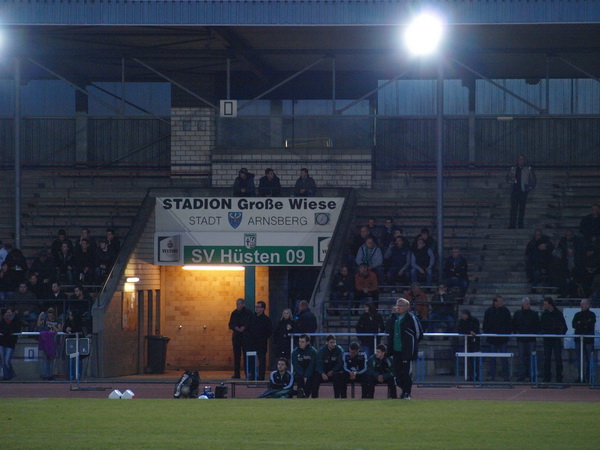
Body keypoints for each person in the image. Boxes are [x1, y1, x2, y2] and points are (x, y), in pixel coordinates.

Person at [385, 298, 423, 399]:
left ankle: (407, 392)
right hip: (396, 349)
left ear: (407, 307)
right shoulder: (394, 317)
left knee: (406, 373)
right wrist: (392, 315)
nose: (398, 307)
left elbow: (419, 333)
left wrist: (411, 345)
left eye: (401, 305)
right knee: (397, 373)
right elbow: (387, 329)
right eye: (398, 305)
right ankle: (404, 389)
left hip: (406, 351)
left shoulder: (411, 318)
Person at [482, 295, 512, 381]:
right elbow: (486, 324)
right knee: (492, 358)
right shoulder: (489, 311)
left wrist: (506, 333)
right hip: (492, 339)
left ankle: (506, 375)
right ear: (495, 302)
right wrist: (488, 333)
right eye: (500, 301)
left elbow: (509, 323)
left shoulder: (505, 311)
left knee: (504, 358)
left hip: (503, 338)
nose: (502, 302)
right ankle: (492, 375)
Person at [511, 297, 540, 381]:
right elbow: (513, 324)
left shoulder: (534, 314)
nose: (528, 305)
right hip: (521, 339)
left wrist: (534, 332)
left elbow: (537, 325)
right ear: (522, 304)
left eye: (529, 303)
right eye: (527, 304)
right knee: (521, 357)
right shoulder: (517, 314)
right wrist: (516, 332)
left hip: (531, 339)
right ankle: (522, 374)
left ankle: (532, 374)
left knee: (531, 357)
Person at [540, 297, 568, 383]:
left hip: (556, 339)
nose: (544, 306)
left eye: (545, 304)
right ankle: (547, 377)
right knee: (547, 358)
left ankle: (559, 377)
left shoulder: (558, 314)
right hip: (547, 339)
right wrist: (544, 333)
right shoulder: (544, 314)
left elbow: (564, 326)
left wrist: (560, 335)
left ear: (550, 304)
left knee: (558, 358)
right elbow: (541, 326)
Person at [506, 154, 536, 229]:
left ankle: (520, 224)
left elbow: (532, 180)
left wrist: (528, 188)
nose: (521, 161)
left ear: (524, 160)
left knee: (521, 209)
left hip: (523, 191)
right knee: (513, 209)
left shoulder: (528, 169)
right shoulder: (513, 169)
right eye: (519, 159)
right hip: (514, 191)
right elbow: (507, 178)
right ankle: (512, 225)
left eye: (522, 159)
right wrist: (511, 180)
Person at [245, 301, 272, 380]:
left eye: (258, 307)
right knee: (252, 360)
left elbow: (269, 331)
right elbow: (247, 329)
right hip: (252, 343)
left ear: (262, 309)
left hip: (261, 343)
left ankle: (261, 376)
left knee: (262, 360)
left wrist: (262, 337)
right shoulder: (251, 318)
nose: (256, 308)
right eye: (255, 307)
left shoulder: (266, 319)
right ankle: (253, 375)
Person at [572, 299, 596, 383]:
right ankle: (580, 376)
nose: (581, 306)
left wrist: (581, 324)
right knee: (579, 359)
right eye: (581, 304)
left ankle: (589, 377)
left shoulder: (592, 315)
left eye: (583, 304)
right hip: (579, 340)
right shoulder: (577, 314)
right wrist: (584, 324)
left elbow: (590, 325)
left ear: (588, 305)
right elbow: (574, 325)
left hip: (588, 341)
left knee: (590, 359)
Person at [36, 307, 63, 381]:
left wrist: (53, 326)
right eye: (49, 315)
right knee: (45, 359)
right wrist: (39, 316)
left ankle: (50, 374)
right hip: (45, 342)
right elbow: (39, 326)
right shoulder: (45, 320)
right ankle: (45, 375)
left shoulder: (57, 321)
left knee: (51, 359)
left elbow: (59, 330)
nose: (50, 316)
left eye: (51, 315)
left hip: (54, 342)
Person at [228, 298, 252, 379]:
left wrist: (244, 327)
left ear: (243, 304)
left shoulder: (248, 313)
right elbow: (230, 324)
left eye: (240, 304)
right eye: (237, 304)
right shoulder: (234, 313)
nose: (238, 306)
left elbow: (250, 323)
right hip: (236, 337)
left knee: (246, 356)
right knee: (236, 356)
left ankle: (247, 373)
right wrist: (236, 328)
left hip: (245, 337)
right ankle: (237, 374)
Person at [455, 309, 480, 381]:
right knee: (469, 360)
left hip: (475, 343)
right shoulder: (461, 321)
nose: (460, 315)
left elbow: (476, 330)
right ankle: (470, 375)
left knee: (475, 359)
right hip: (467, 343)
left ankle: (476, 375)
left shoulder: (474, 320)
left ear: (465, 314)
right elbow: (459, 330)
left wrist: (471, 332)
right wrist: (469, 331)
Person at [291, 334, 318, 398]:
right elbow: (295, 365)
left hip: (310, 374)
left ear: (308, 342)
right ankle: (300, 395)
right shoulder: (295, 352)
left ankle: (311, 397)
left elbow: (312, 365)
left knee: (313, 378)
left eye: (302, 342)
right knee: (299, 378)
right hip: (299, 374)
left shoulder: (313, 352)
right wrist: (303, 375)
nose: (300, 343)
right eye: (299, 341)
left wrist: (306, 375)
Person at [0, 308, 21, 380]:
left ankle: (11, 373)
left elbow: (15, 329)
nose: (8, 313)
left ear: (12, 313)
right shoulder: (2, 320)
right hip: (2, 342)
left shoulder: (16, 320)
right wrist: (7, 331)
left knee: (7, 361)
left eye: (9, 312)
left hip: (11, 343)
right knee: (3, 361)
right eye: (7, 312)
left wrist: (6, 331)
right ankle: (6, 376)